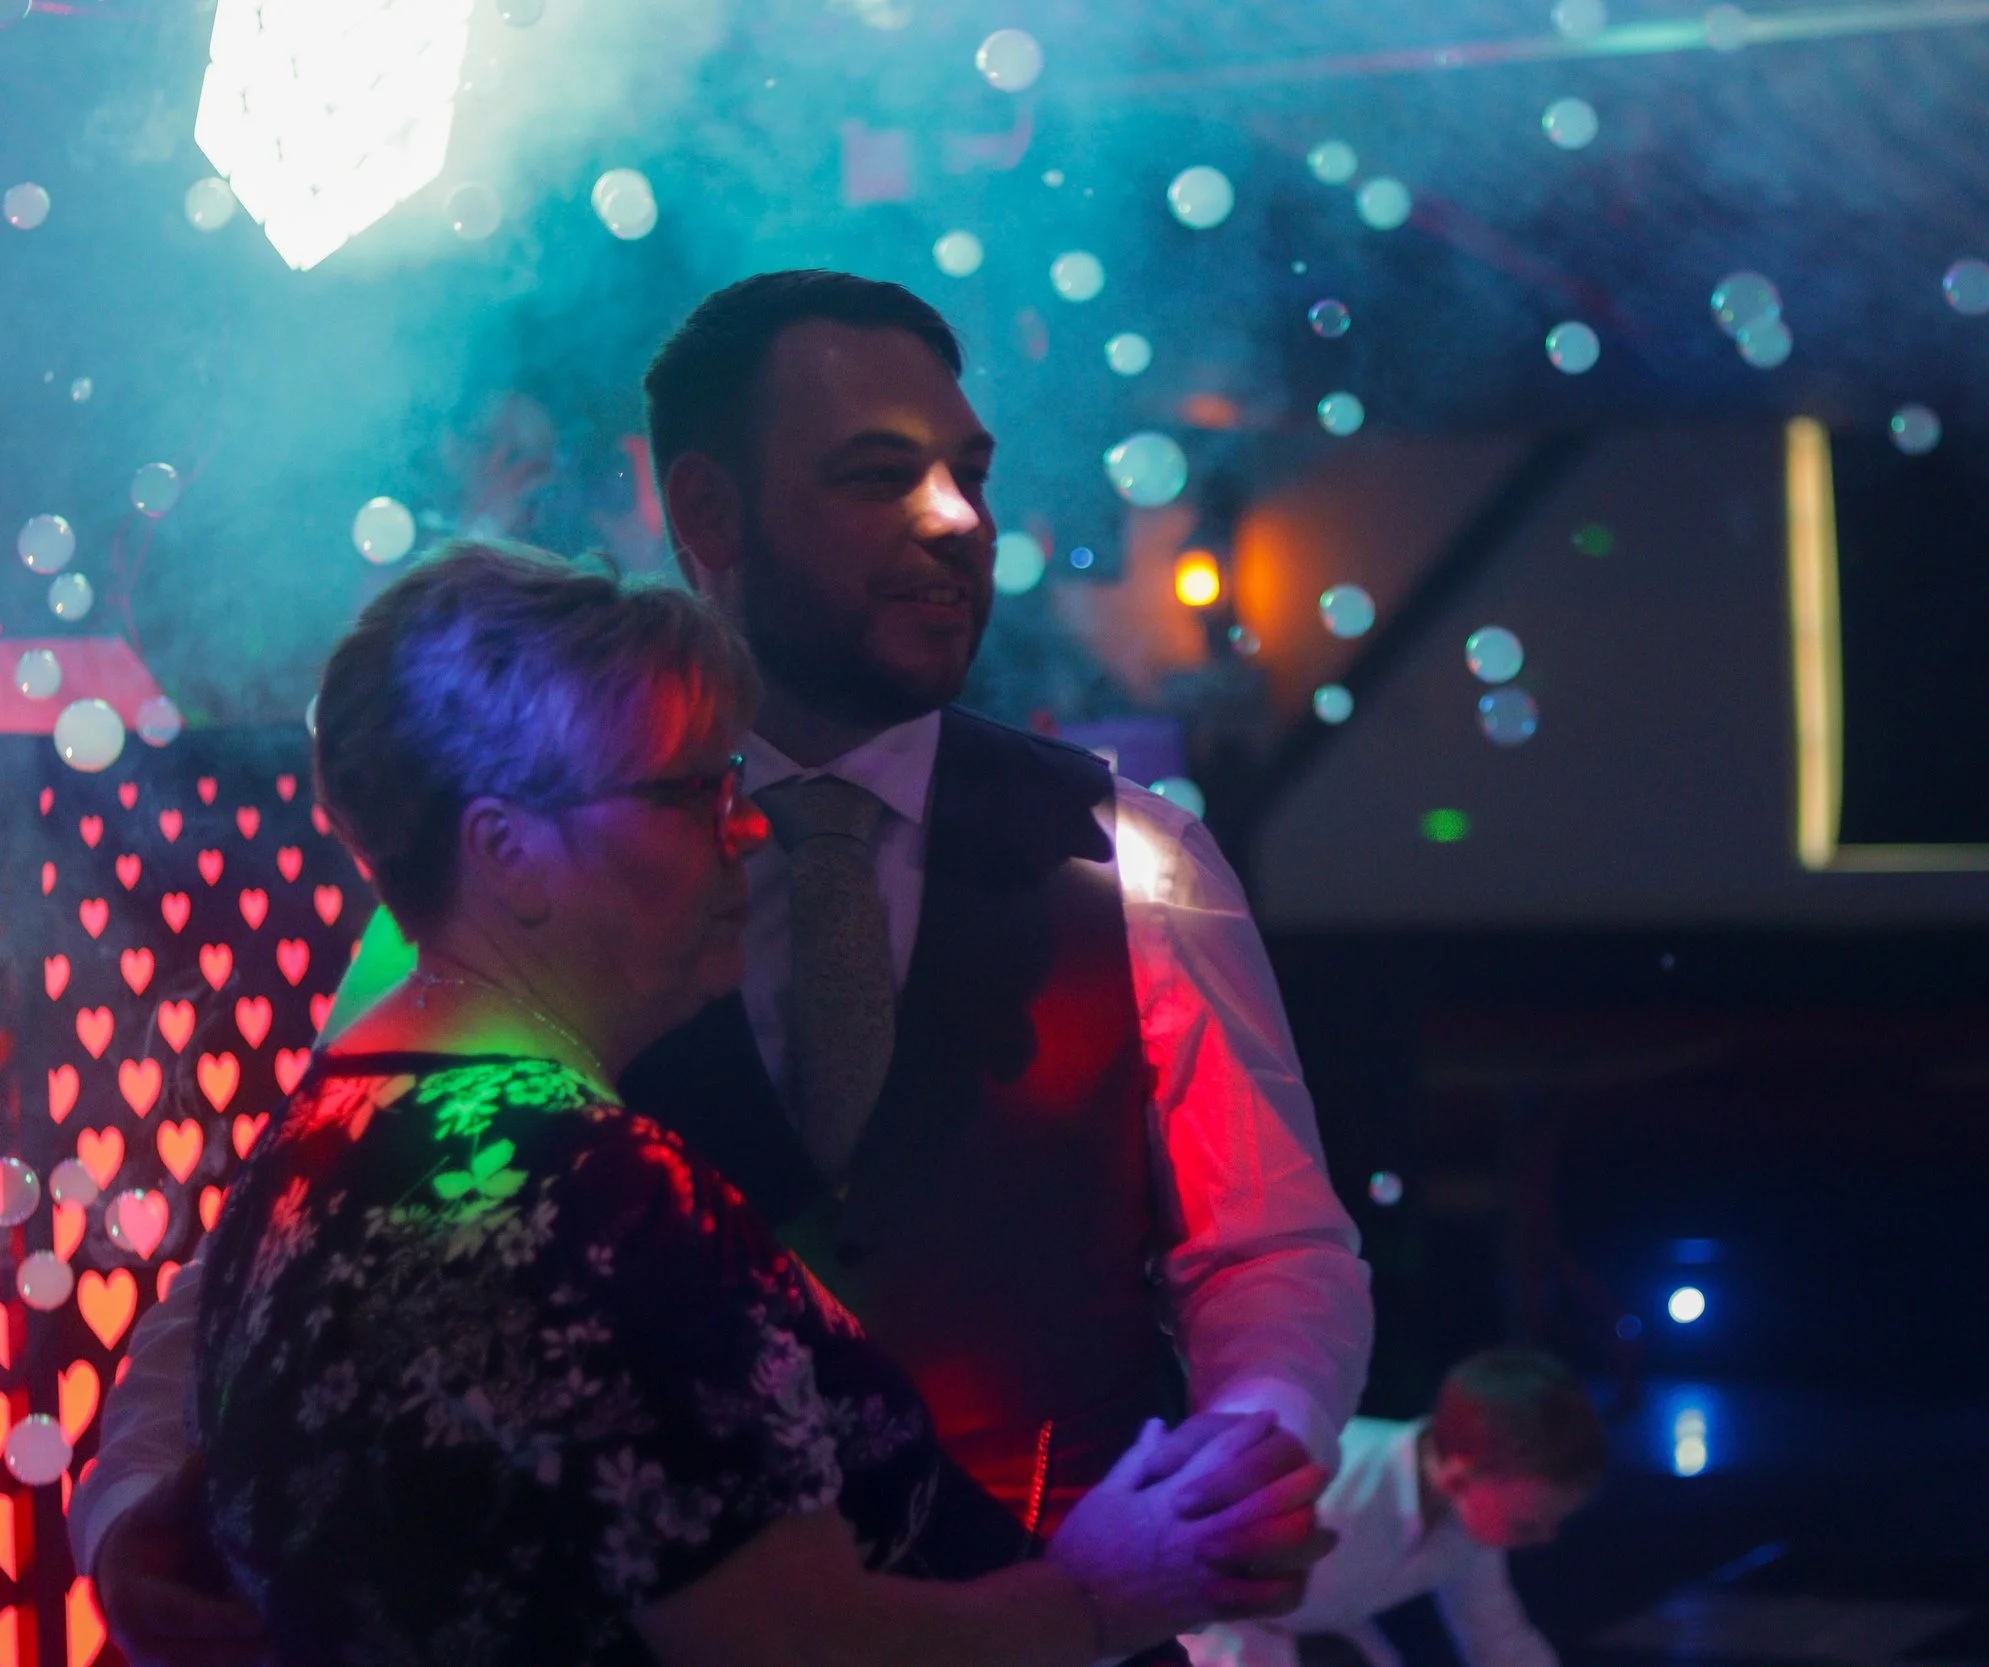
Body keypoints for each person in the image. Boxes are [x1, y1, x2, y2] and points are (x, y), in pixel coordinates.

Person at [79, 271, 1373, 1659]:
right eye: (879, 476)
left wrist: (1244, 1455)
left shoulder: (1135, 858)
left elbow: (1270, 1239)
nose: (959, 522)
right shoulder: (513, 883)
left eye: (970, 474)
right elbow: (311, 1216)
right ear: (708, 514)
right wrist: (138, 1496)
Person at [1182, 1350, 1606, 1667]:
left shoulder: (1467, 1523)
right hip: (1212, 1634)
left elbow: (1497, 1636)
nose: (1545, 1538)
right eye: (1526, 1526)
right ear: (1458, 1479)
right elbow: (1193, 1582)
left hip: (1311, 1632)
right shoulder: (1331, 1484)